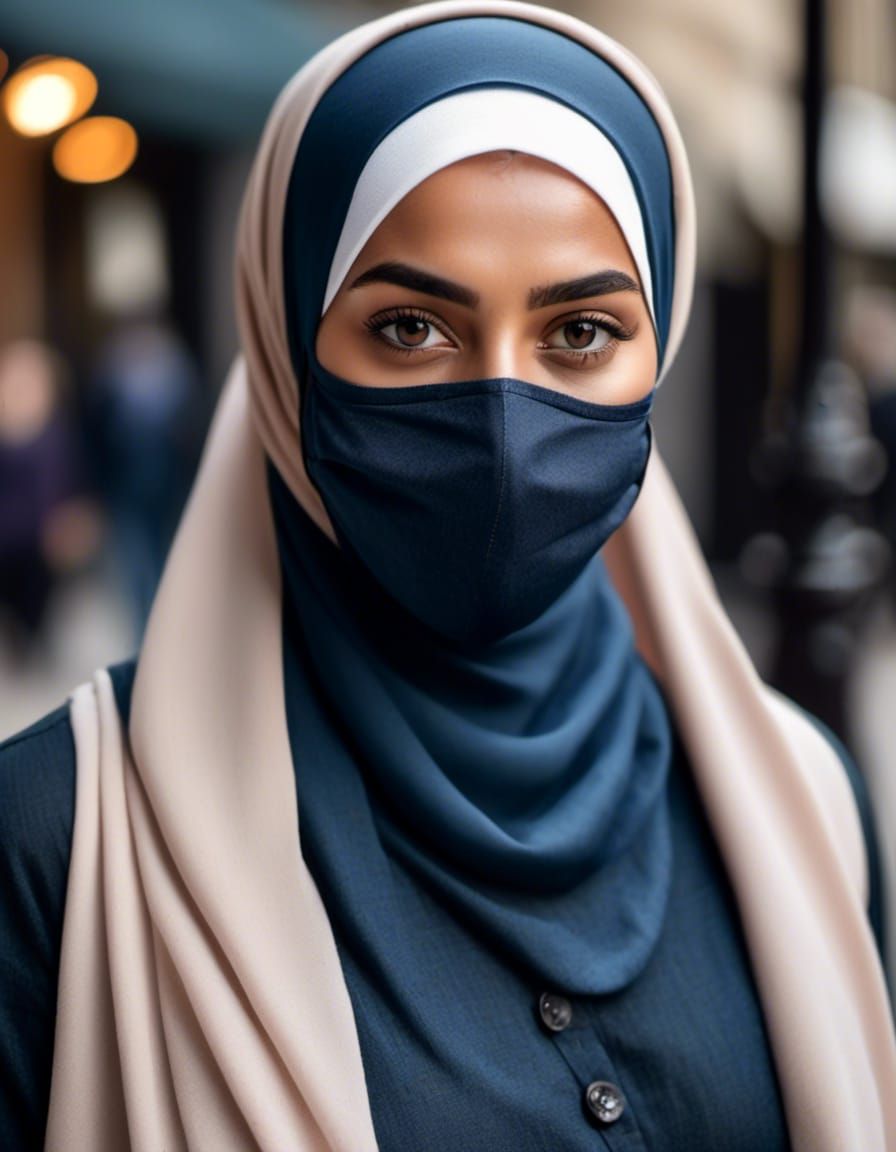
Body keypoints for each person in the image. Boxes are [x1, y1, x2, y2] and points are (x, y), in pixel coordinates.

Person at [1, 3, 894, 1149]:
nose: (505, 429)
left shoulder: (799, 802)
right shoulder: (61, 848)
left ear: (656, 350)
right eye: (412, 327)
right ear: (285, 348)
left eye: (578, 333)